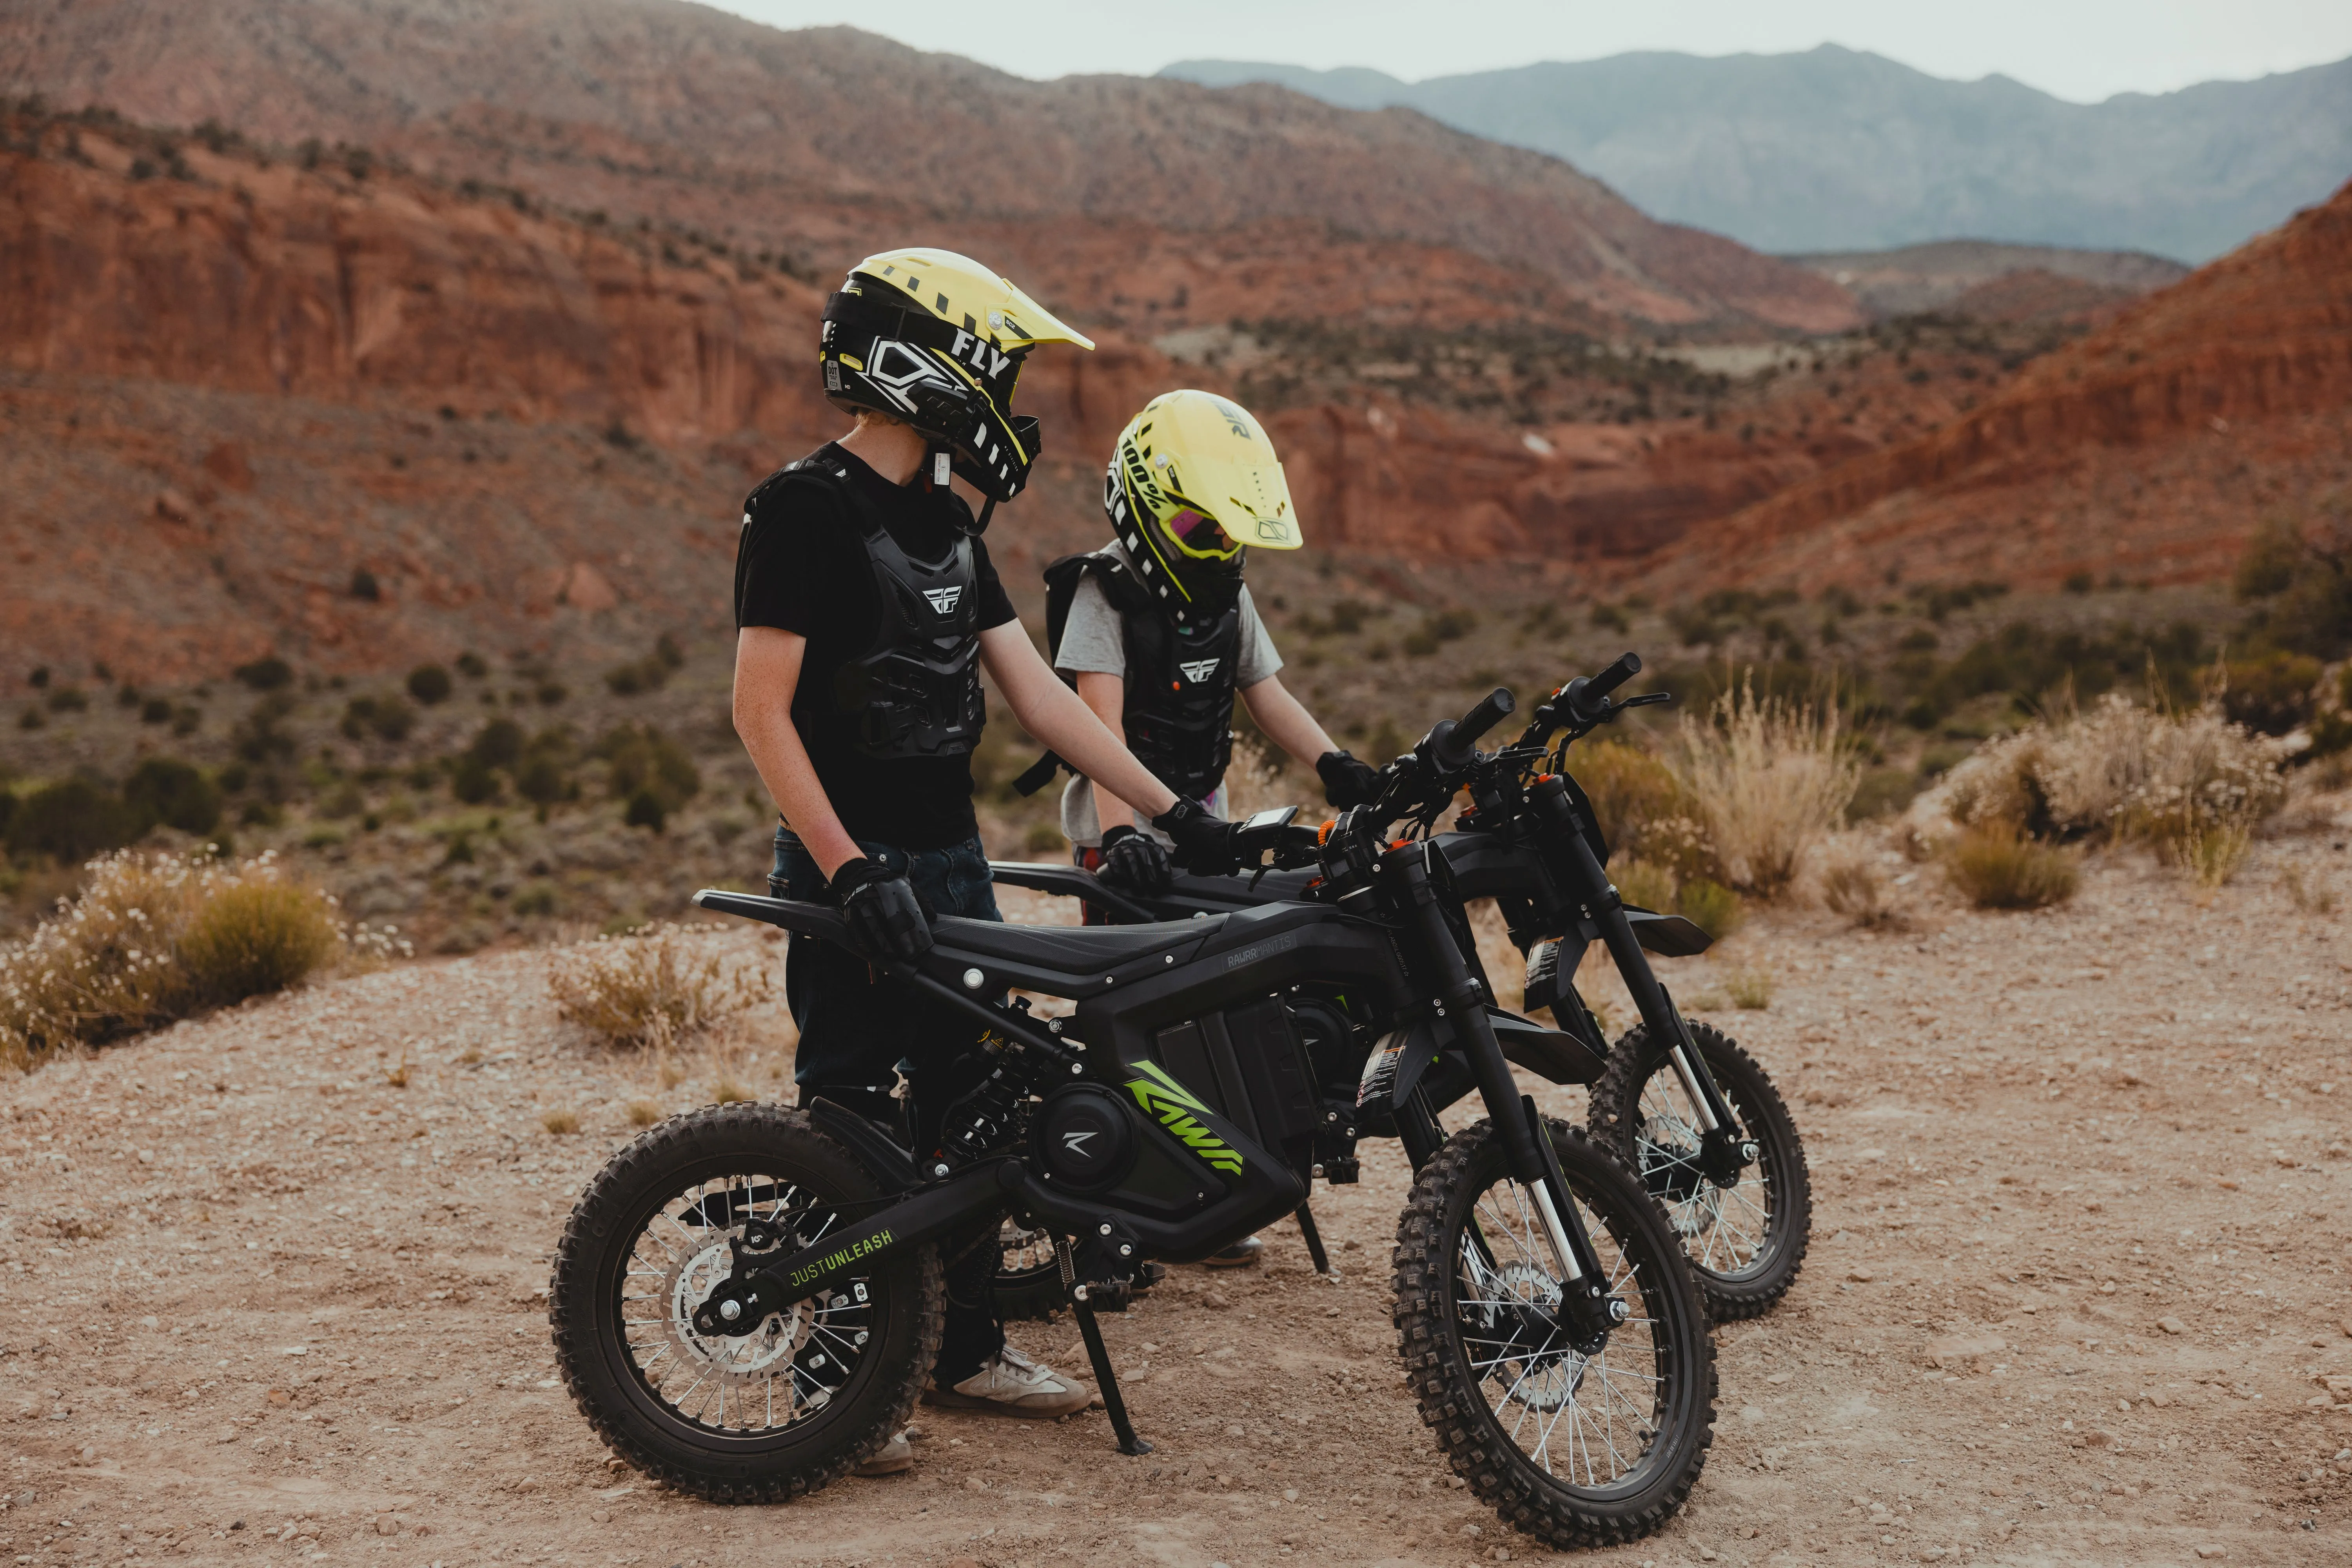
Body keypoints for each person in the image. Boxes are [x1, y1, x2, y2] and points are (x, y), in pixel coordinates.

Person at [731, 250, 1239, 1474]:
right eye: (996, 367)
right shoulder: (802, 508)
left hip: (952, 862)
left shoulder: (952, 523)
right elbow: (760, 711)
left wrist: (1179, 812)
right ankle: (837, 1379)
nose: (1007, 397)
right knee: (851, 1112)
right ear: (925, 365)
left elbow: (1042, 703)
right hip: (852, 871)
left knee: (969, 1109)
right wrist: (849, 870)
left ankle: (959, 1354)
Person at [1024, 388, 1381, 1267]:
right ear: (1145, 507)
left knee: (1212, 1013)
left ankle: (1206, 1193)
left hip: (1205, 825)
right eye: (1201, 530)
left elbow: (1267, 693)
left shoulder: (1226, 594)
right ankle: (1116, 1200)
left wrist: (1336, 763)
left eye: (1232, 532)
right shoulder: (1103, 593)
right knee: (1130, 1018)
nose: (1221, 549)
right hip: (1124, 841)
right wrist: (1124, 837)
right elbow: (1097, 728)